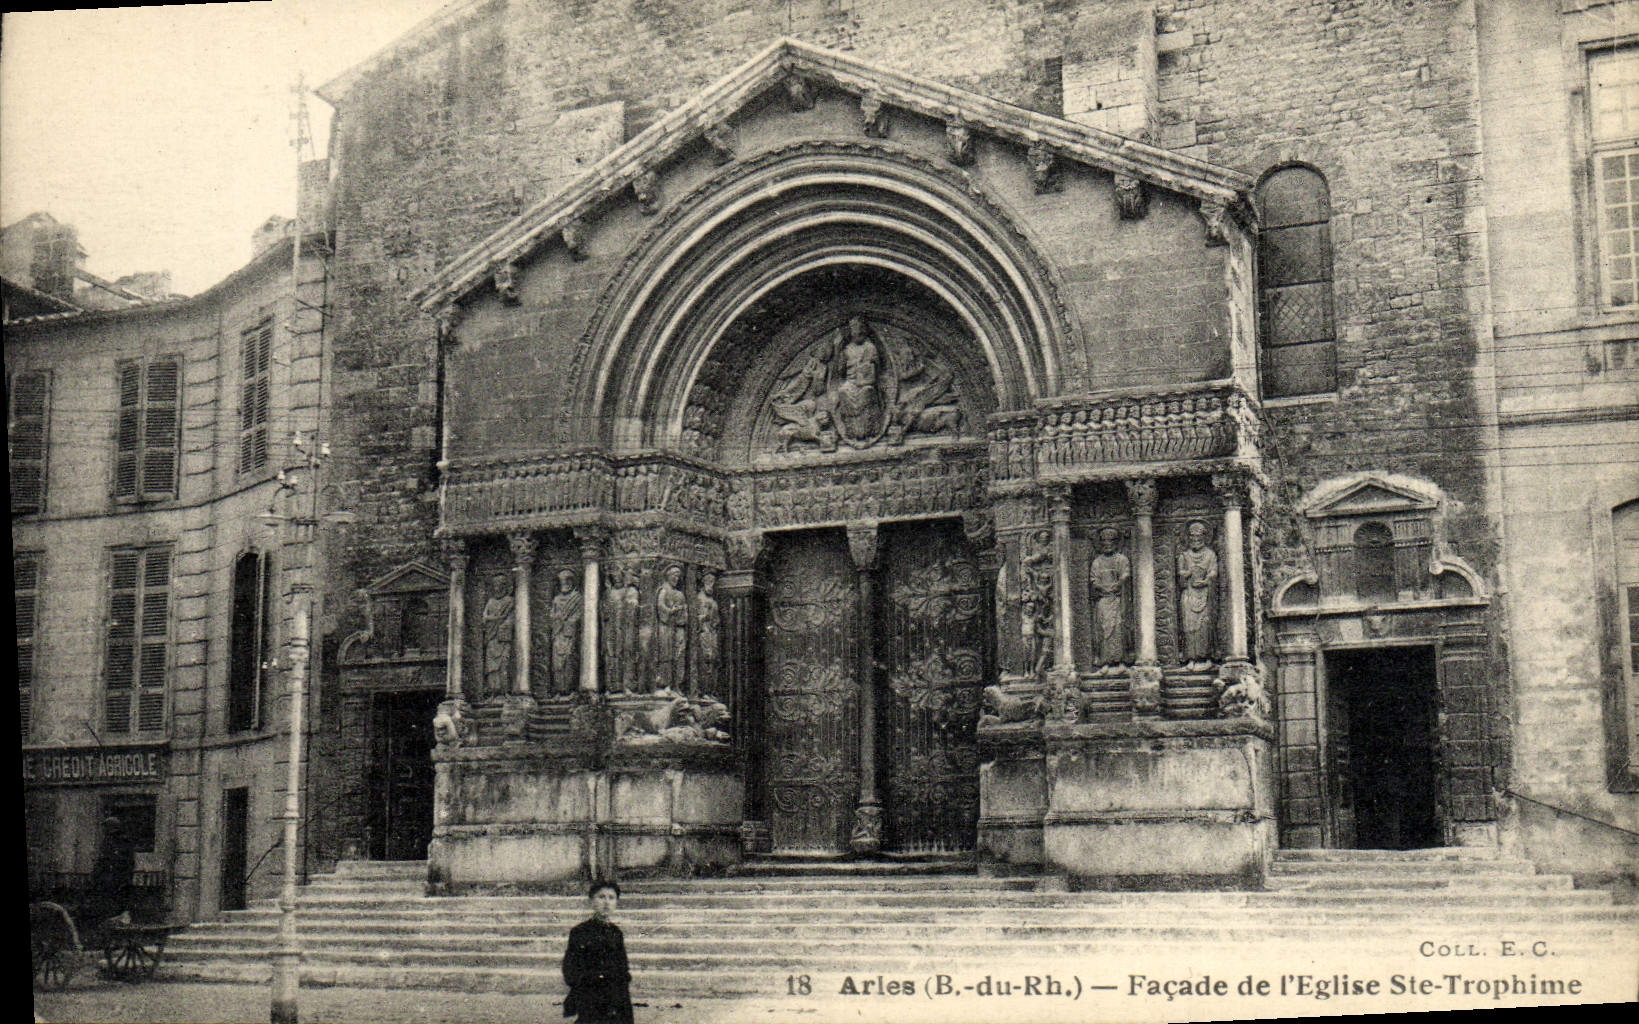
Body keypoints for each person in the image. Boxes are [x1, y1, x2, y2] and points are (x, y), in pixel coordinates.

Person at [562, 880, 633, 1024]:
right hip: (590, 997)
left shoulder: (616, 933)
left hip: (616, 998)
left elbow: (623, 968)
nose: (606, 902)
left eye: (611, 898)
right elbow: (570, 968)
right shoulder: (580, 932)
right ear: (592, 901)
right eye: (601, 897)